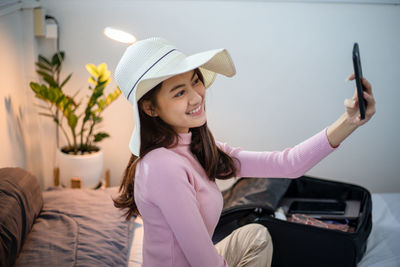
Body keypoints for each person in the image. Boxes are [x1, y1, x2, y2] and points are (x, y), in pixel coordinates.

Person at [113, 37, 375, 267]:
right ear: (150, 108)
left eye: (195, 82)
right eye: (179, 92)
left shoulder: (195, 146)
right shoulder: (162, 166)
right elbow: (205, 261)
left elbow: (288, 165)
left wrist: (349, 121)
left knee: (256, 235)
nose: (196, 97)